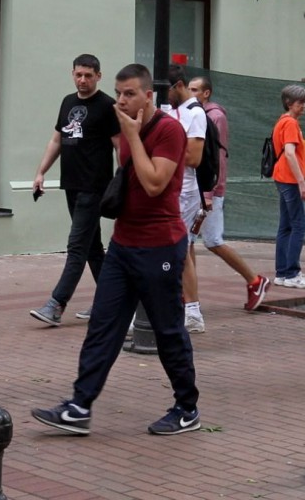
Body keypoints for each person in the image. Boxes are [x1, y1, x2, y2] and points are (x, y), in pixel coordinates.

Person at [32, 64, 200, 436]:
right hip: (123, 244)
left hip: (160, 247)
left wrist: (133, 137)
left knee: (168, 330)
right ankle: (79, 407)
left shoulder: (169, 130)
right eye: (119, 93)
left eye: (129, 94)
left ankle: (187, 408)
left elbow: (154, 183)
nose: (121, 100)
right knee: (102, 327)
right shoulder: (125, 129)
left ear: (148, 96)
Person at [30, 55, 120, 327]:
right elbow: (57, 139)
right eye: (78, 74)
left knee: (77, 247)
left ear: (98, 76)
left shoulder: (107, 106)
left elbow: (120, 146)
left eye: (88, 75)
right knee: (92, 248)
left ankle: (56, 304)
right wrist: (41, 172)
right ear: (72, 74)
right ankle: (111, 301)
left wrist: (123, 180)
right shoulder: (68, 102)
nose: (82, 80)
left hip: (94, 188)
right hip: (71, 184)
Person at [187, 76, 271, 311]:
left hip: (208, 190)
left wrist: (210, 192)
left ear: (206, 93)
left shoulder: (215, 117)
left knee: (212, 241)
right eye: (189, 89)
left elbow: (218, 157)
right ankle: (188, 296)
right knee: (188, 242)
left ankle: (255, 280)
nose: (191, 93)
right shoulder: (195, 114)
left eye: (195, 89)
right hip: (198, 189)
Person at [166, 64, 208, 333]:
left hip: (185, 190)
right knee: (182, 249)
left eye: (166, 90)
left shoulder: (195, 113)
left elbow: (194, 157)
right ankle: (188, 308)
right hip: (170, 186)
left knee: (178, 249)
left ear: (178, 86)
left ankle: (192, 312)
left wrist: (162, 150)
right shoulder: (171, 110)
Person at [272, 84, 305, 289]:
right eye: (300, 102)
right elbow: (290, 152)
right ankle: (292, 273)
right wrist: (302, 183)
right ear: (289, 103)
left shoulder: (282, 121)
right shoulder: (290, 123)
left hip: (282, 177)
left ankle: (282, 273)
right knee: (299, 225)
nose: (304, 105)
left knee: (286, 225)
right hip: (290, 180)